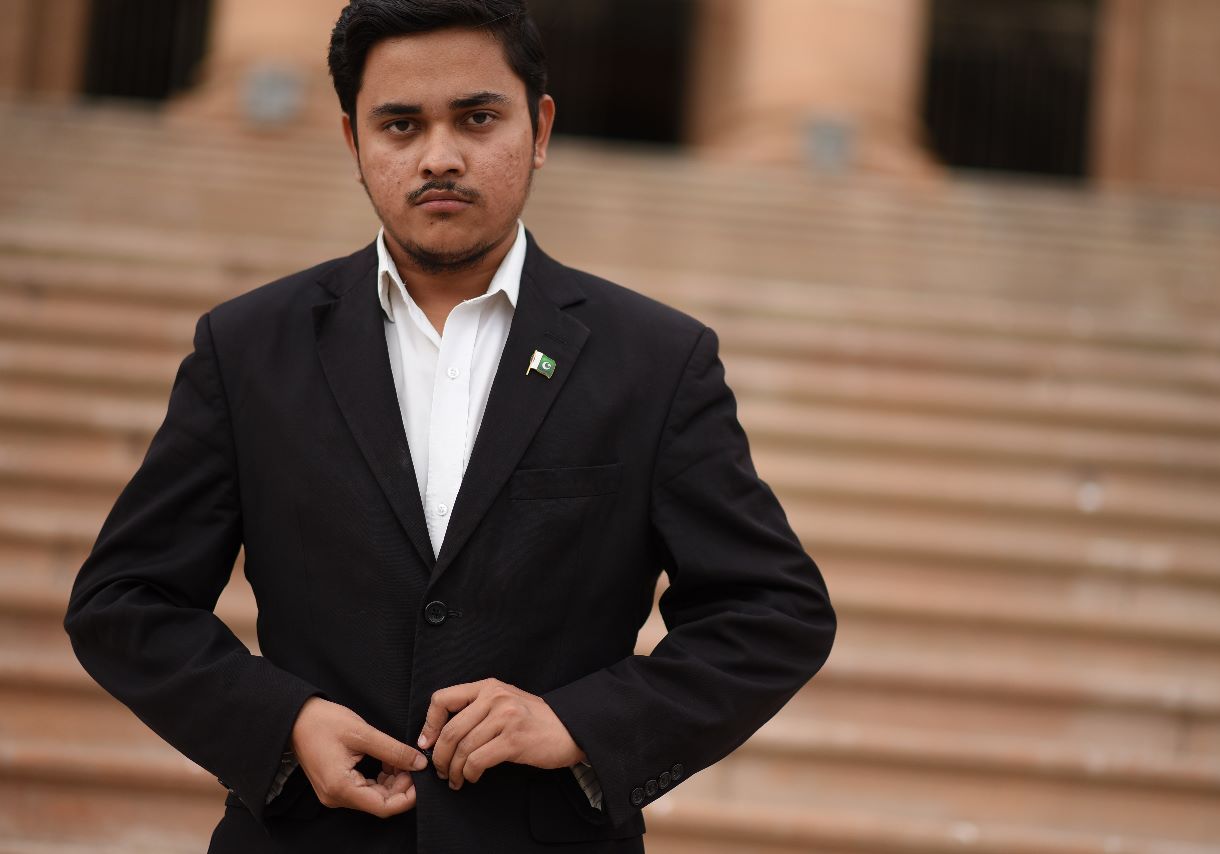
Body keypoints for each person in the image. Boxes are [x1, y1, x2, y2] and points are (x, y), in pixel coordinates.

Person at [63, 1, 836, 851]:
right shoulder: (247, 347)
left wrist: (579, 724)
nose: (440, 157)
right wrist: (285, 723)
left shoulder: (656, 361)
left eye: (477, 118)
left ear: (539, 129)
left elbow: (772, 613)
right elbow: (125, 600)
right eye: (400, 125)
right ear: (354, 143)